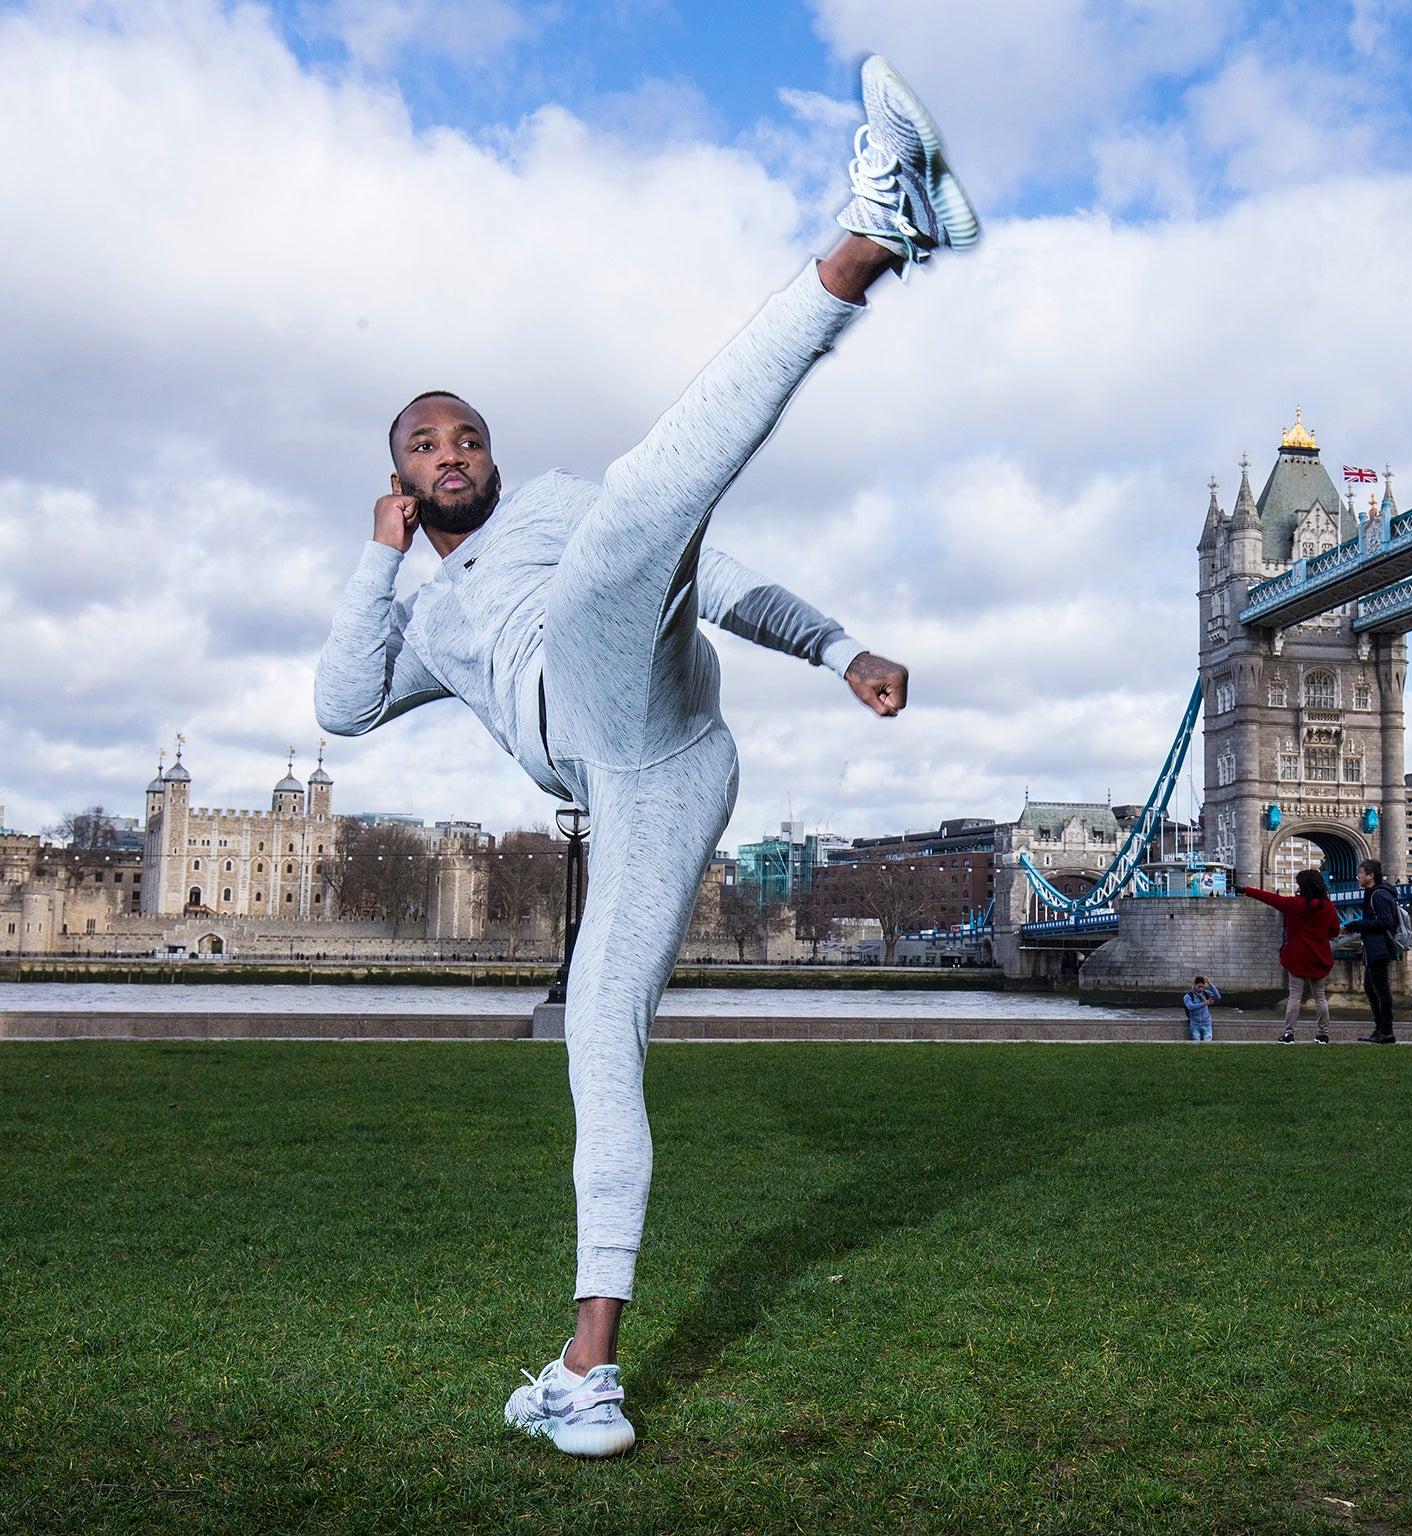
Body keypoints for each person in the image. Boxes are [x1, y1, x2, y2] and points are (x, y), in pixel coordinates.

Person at [313, 56, 978, 1459]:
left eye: (469, 434)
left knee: (636, 514)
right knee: (599, 1047)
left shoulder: (556, 505)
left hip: (667, 730)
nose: (455, 450)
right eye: (426, 443)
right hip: (612, 776)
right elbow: (339, 706)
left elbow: (706, 560)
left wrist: (837, 644)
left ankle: (872, 232)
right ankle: (584, 1368)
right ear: (400, 476)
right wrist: (377, 564)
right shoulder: (423, 613)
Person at [1241, 869, 1342, 1043]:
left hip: (1297, 955)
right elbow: (1334, 932)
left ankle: (1289, 1033)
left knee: (1295, 995)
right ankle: (1323, 1033)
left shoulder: (1294, 904)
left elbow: (1270, 898)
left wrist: (1246, 890)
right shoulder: (1328, 907)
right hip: (1319, 956)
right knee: (1320, 997)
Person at [1341, 859, 1401, 1044]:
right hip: (1374, 947)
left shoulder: (1378, 896)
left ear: (1370, 876)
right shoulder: (1372, 894)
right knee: (1370, 988)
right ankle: (1379, 1029)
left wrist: (1357, 925)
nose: (1357, 876)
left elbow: (1386, 921)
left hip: (1380, 947)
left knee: (1381, 990)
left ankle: (1386, 1031)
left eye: (1361, 873)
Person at [1182, 975, 1221, 1041]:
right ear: (1194, 985)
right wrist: (1204, 1003)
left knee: (1207, 1043)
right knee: (1196, 1042)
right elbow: (1190, 1007)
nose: (1201, 989)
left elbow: (1218, 997)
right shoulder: (1188, 996)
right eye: (1199, 986)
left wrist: (1210, 984)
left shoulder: (1205, 993)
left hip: (1207, 1023)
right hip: (1195, 1024)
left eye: (1202, 987)